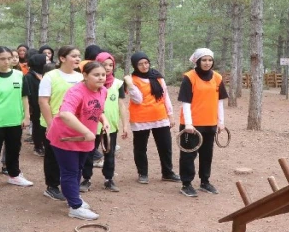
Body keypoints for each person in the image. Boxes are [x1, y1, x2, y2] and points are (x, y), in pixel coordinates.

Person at [47, 61, 109, 220]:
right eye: (96, 75)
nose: (101, 78)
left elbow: (97, 109)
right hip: (66, 136)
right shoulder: (76, 92)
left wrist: (103, 119)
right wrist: (87, 131)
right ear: (85, 75)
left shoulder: (103, 91)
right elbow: (65, 114)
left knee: (79, 168)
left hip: (85, 137)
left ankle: (73, 198)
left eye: (103, 74)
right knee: (70, 171)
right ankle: (75, 207)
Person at [0, 46, 33, 193]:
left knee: (14, 150)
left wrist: (26, 116)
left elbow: (24, 97)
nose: (7, 62)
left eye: (9, 58)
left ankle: (14, 175)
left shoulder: (19, 75)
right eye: (2, 59)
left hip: (15, 120)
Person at [177, 48, 228, 197]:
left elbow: (219, 101)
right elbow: (185, 102)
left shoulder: (217, 78)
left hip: (210, 123)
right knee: (188, 155)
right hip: (192, 125)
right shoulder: (189, 77)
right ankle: (186, 184)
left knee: (207, 154)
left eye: (210, 60)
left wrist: (221, 122)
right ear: (198, 61)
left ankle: (205, 182)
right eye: (204, 60)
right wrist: (188, 123)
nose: (207, 63)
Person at [125, 52, 180, 184]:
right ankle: (142, 173)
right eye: (140, 64)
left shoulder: (158, 77)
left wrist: (170, 115)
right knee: (140, 147)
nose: (144, 66)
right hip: (140, 119)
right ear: (135, 65)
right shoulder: (131, 80)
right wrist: (130, 84)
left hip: (160, 117)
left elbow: (165, 96)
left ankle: (167, 172)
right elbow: (137, 100)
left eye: (146, 63)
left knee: (165, 146)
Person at [80, 52, 129, 192]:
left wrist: (125, 125)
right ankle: (86, 179)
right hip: (90, 125)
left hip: (110, 126)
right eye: (104, 65)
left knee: (109, 153)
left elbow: (121, 105)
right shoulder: (88, 84)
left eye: (110, 65)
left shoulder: (118, 84)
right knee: (88, 153)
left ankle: (109, 179)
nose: (107, 68)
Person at [39, 46, 83, 201]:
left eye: (79, 56)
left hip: (75, 124)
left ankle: (70, 187)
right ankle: (52, 186)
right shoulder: (50, 76)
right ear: (62, 58)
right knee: (52, 156)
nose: (78, 59)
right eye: (74, 56)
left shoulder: (80, 77)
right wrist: (51, 124)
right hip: (54, 123)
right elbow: (44, 101)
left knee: (73, 157)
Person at [25, 53, 48, 156]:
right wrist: (30, 107)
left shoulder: (45, 74)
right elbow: (28, 93)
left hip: (45, 104)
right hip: (35, 105)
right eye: (46, 61)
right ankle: (38, 146)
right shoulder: (29, 77)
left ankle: (45, 144)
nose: (48, 62)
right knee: (37, 126)